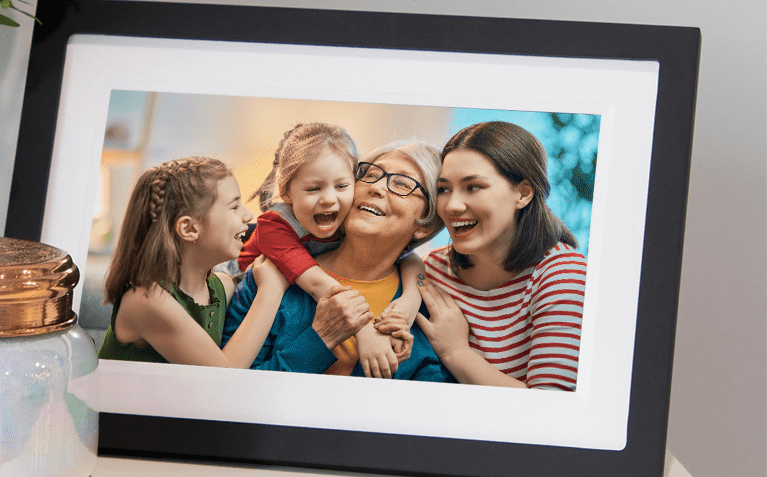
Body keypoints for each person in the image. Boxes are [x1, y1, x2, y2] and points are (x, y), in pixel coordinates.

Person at [224, 140, 455, 382]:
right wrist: (319, 339)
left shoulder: (427, 316)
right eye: (371, 174)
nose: (376, 187)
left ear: (425, 225)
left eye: (402, 184)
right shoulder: (268, 276)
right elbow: (230, 391)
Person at [416, 121, 587, 390]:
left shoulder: (562, 275)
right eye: (444, 189)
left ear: (522, 193)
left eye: (473, 187)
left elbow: (551, 411)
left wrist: (457, 353)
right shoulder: (432, 270)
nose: (452, 205)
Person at [97, 156, 297, 367]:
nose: (248, 215)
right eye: (234, 206)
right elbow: (222, 374)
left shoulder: (223, 288)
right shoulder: (145, 301)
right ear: (189, 229)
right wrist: (271, 290)